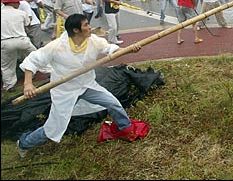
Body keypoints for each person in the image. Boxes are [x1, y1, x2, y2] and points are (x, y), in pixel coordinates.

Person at [16, 14, 142, 158]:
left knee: (113, 103)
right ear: (76, 30)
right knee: (54, 127)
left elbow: (110, 49)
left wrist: (129, 49)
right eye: (86, 25)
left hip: (87, 85)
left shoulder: (92, 40)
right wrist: (28, 83)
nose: (90, 28)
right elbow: (32, 61)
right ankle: (24, 143)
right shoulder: (57, 46)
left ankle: (125, 129)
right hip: (65, 91)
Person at [1, 0, 37, 92]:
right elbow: (27, 25)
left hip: (5, 41)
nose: (19, 4)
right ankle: (48, 72)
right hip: (22, 39)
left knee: (7, 66)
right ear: (12, 3)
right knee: (36, 56)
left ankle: (10, 86)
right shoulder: (20, 13)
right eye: (17, 2)